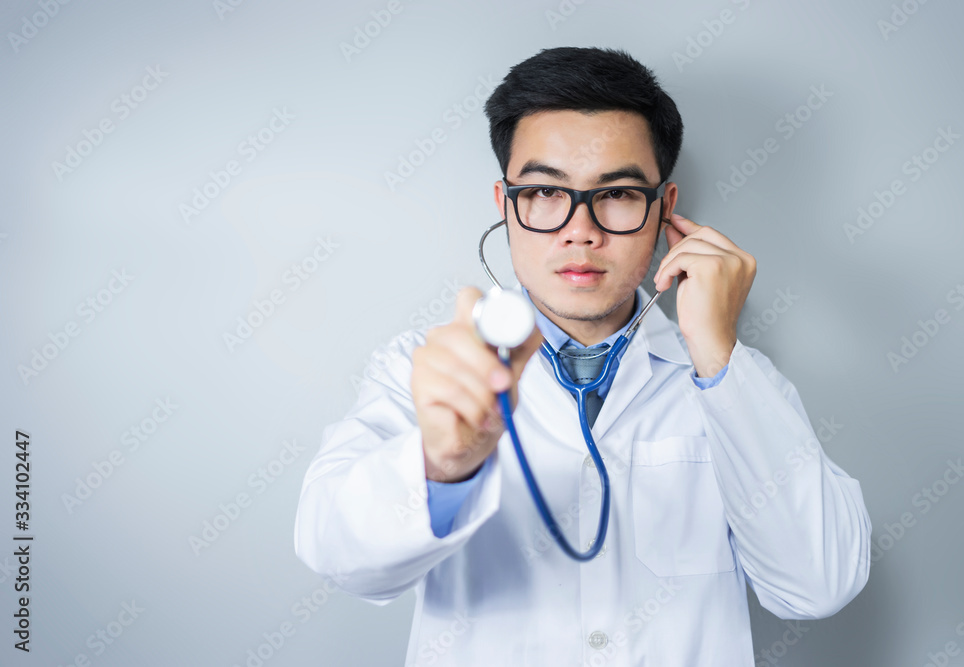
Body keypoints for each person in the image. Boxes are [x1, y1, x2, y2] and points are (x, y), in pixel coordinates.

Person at [294, 46, 871, 666]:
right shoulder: (424, 369)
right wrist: (443, 465)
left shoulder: (733, 383)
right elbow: (340, 559)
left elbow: (818, 586)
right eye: (544, 191)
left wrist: (717, 353)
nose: (580, 230)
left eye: (618, 194)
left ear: (665, 209)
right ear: (505, 203)